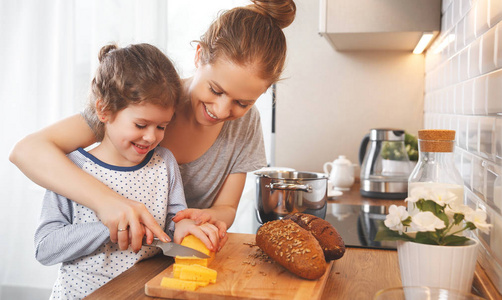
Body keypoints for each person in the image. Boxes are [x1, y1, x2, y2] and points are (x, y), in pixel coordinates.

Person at [10, 0, 297, 253]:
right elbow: (27, 151)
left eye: (242, 103)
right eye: (216, 90)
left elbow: (227, 208)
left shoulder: (245, 126)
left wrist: (198, 221)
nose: (222, 111)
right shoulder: (147, 102)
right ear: (198, 56)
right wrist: (108, 204)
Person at [34, 43, 220, 300]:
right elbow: (45, 249)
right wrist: (107, 228)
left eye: (162, 126)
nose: (151, 137)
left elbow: (174, 220)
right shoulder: (71, 169)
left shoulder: (165, 162)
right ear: (104, 110)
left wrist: (185, 226)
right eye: (141, 124)